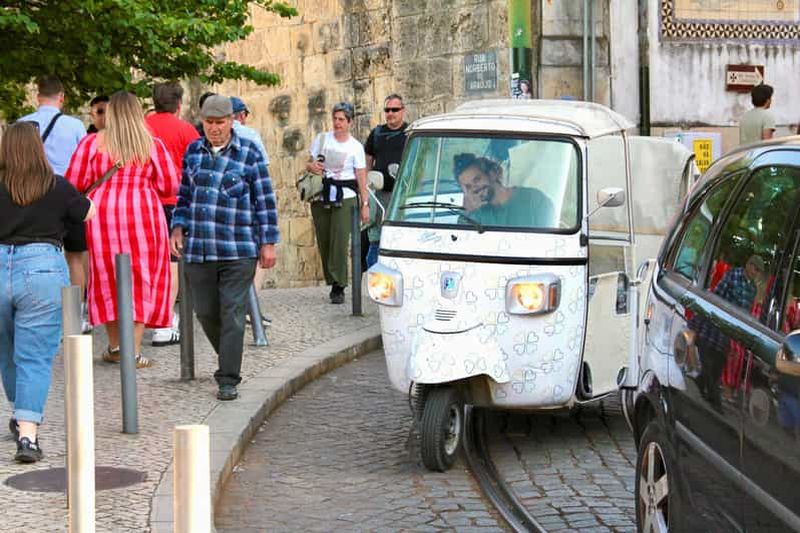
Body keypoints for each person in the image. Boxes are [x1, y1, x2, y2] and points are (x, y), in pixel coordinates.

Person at [170, 95, 279, 401]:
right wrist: (177, 227)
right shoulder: (193, 152)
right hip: (200, 249)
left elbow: (265, 201)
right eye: (209, 123)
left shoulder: (249, 154)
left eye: (220, 123)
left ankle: (227, 378)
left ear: (232, 121)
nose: (214, 129)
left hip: (238, 249)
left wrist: (268, 243)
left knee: (232, 312)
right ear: (202, 122)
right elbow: (184, 196)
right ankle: (229, 355)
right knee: (205, 312)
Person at [0, 122, 95, 462]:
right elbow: (88, 213)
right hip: (40, 269)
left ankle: (19, 410)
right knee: (35, 357)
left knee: (6, 352)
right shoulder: (57, 187)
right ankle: (28, 436)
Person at [65, 91, 180, 369]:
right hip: (144, 215)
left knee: (107, 278)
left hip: (102, 217)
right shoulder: (152, 145)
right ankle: (134, 350)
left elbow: (73, 182)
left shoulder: (92, 144)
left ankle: (116, 346)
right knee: (140, 278)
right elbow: (169, 185)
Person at [18, 76, 89, 332]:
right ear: (62, 97)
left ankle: (38, 312)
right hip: (66, 195)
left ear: (38, 97)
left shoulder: (22, 124)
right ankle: (76, 316)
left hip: (30, 197)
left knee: (37, 256)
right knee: (75, 258)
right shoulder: (74, 125)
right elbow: (84, 163)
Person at [145, 81, 201, 347]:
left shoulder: (142, 127)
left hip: (144, 202)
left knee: (146, 261)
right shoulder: (186, 130)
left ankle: (148, 314)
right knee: (172, 261)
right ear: (179, 104)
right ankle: (164, 323)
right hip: (176, 202)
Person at [306, 102, 370, 304]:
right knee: (324, 239)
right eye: (335, 118)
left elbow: (361, 175)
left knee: (340, 240)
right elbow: (308, 163)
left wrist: (364, 203)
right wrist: (312, 166)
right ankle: (332, 278)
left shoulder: (355, 147)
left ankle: (339, 285)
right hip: (322, 193)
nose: (337, 123)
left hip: (346, 196)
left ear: (349, 122)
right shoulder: (322, 139)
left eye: (341, 119)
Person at [229, 96, 273, 327]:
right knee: (257, 258)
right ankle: (249, 308)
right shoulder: (250, 136)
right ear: (242, 115)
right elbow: (262, 172)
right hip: (247, 205)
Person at [364, 94, 408, 268]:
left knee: (400, 234)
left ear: (402, 111)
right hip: (379, 194)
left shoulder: (410, 133)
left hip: (401, 195)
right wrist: (367, 184)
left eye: (395, 110)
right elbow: (368, 157)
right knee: (376, 236)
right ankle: (375, 271)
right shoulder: (377, 133)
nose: (390, 113)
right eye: (387, 110)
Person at [454, 153, 554, 228]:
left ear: (492, 174)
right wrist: (467, 211)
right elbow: (460, 244)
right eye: (468, 187)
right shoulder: (477, 215)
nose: (474, 188)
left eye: (477, 179)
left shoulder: (535, 200)